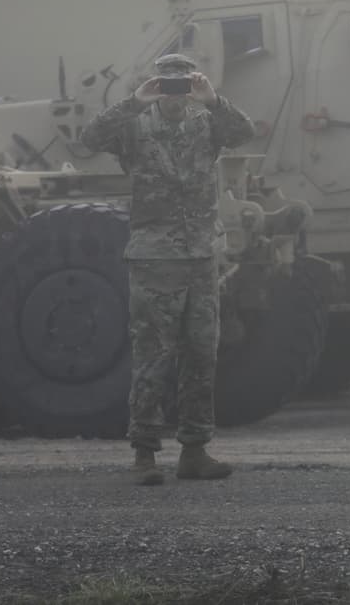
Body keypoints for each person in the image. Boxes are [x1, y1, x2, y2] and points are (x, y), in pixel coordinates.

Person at [80, 53, 256, 485]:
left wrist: (213, 99)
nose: (175, 93)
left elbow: (244, 133)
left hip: (199, 256)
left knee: (201, 356)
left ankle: (194, 451)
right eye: (167, 83)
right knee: (153, 358)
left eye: (182, 83)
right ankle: (144, 456)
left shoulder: (206, 123)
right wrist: (135, 101)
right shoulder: (135, 127)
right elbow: (90, 138)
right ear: (156, 84)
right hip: (155, 258)